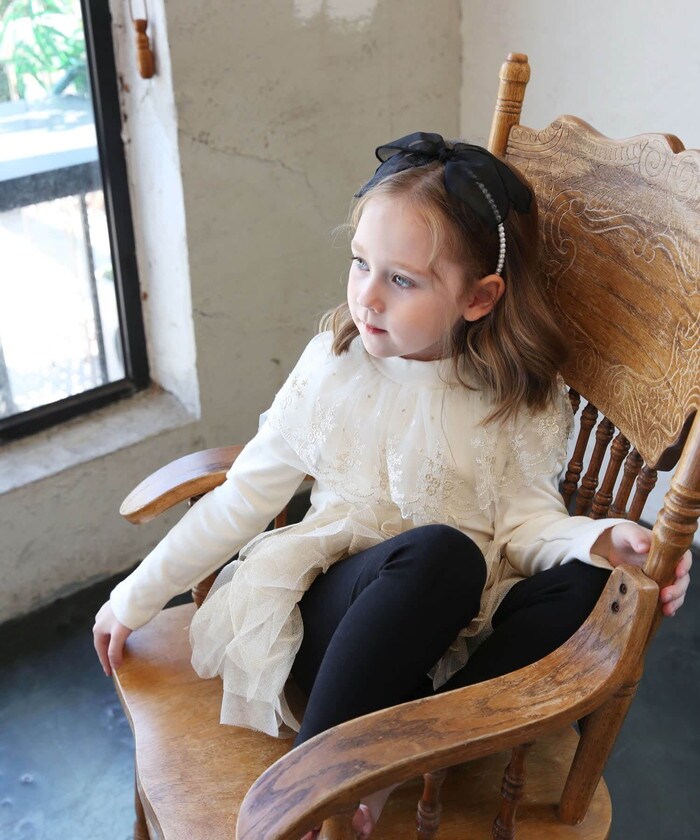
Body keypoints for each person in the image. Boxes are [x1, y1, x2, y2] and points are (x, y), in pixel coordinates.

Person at [94, 132, 692, 839]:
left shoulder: (516, 398)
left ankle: (413, 745)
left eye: (402, 280)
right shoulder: (335, 368)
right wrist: (134, 596)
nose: (367, 296)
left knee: (595, 586)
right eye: (360, 263)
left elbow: (527, 527)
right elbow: (242, 499)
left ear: (479, 297)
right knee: (441, 554)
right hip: (338, 630)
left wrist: (604, 539)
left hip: (454, 649)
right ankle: (320, 780)